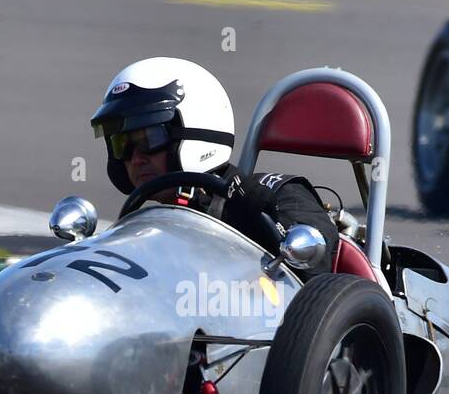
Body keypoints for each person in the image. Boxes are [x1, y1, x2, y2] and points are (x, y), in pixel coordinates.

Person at [89, 57, 338, 279]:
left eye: (149, 139)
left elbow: (314, 287)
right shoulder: (147, 230)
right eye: (122, 144)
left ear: (193, 130)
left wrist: (261, 231)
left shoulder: (276, 197)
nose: (136, 158)